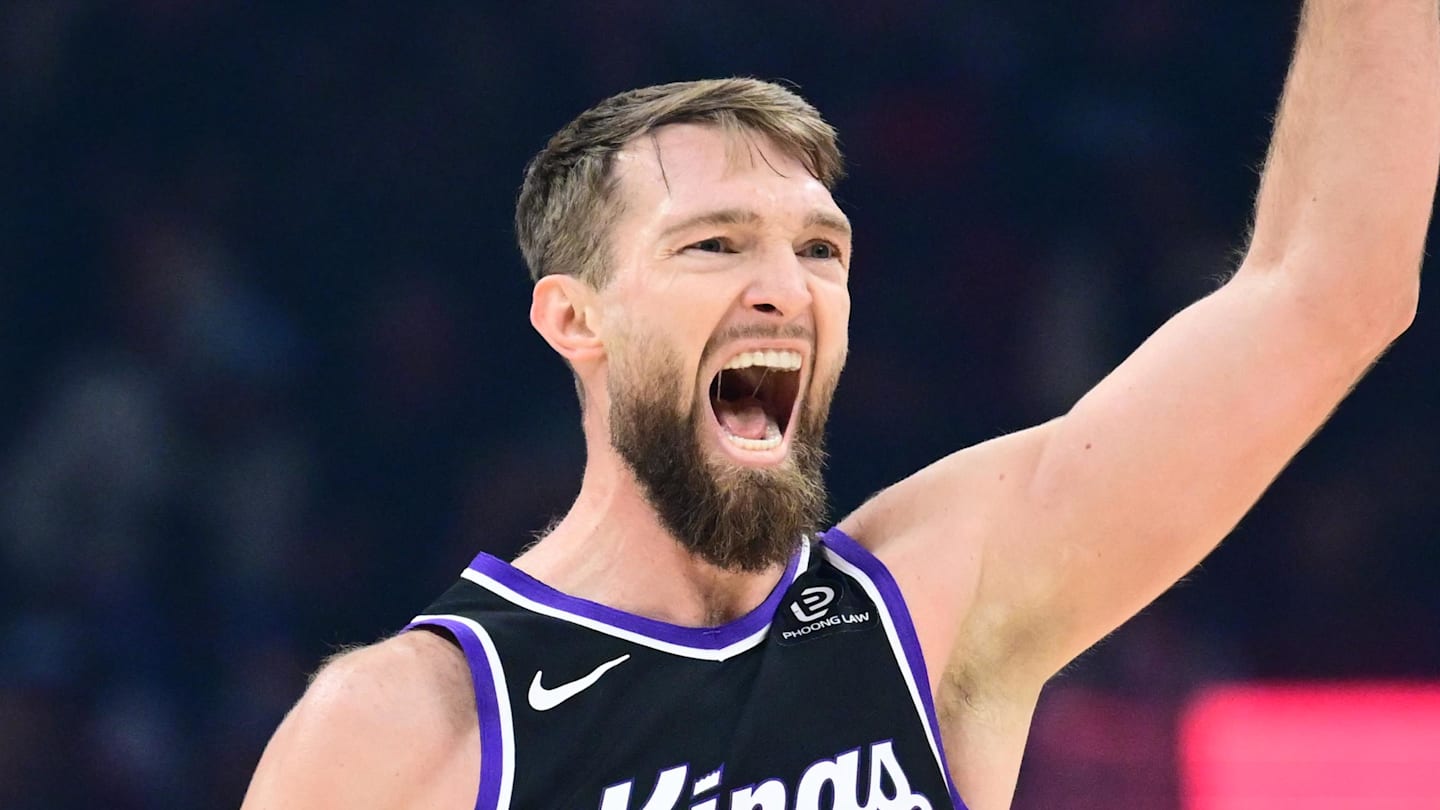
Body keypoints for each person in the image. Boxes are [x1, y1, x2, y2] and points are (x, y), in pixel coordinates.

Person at [241, 2, 1440, 808]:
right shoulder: (409, 727)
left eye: (822, 251)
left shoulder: (923, 599)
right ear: (575, 318)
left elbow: (1328, 287)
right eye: (713, 245)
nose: (784, 290)